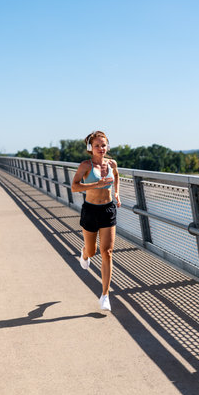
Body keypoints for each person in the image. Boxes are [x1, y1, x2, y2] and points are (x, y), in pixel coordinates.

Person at [71, 131, 121, 311]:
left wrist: (116, 193)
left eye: (104, 145)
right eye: (97, 145)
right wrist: (96, 184)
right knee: (92, 252)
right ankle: (84, 253)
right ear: (90, 148)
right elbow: (74, 186)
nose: (101, 148)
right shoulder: (85, 165)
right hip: (90, 210)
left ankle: (105, 295)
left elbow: (116, 175)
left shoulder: (112, 163)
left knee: (107, 252)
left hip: (108, 210)